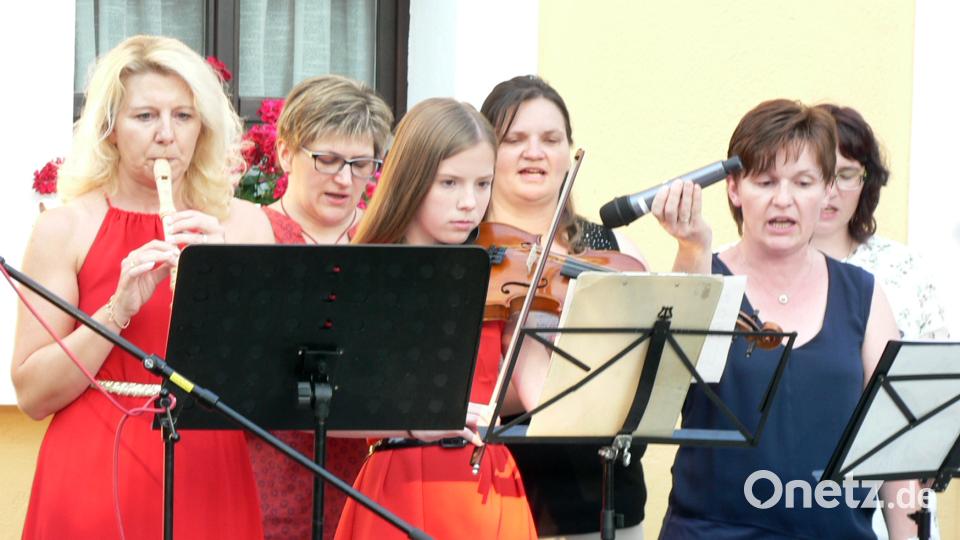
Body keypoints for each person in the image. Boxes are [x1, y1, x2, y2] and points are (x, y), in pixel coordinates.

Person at [12, 35, 273, 539]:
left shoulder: (244, 225)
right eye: (145, 116)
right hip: (95, 468)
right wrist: (116, 310)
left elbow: (264, 389)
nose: (166, 135)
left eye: (183, 116)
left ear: (203, 128)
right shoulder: (65, 227)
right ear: (109, 129)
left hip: (207, 470)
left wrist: (227, 286)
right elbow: (33, 395)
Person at [659, 99, 915, 539]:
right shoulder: (702, 273)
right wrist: (692, 250)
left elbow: (898, 444)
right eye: (765, 182)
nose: (783, 200)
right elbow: (667, 385)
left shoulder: (863, 293)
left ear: (827, 191)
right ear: (734, 189)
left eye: (803, 182)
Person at [479, 75, 712, 539]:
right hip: (495, 500)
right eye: (515, 139)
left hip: (606, 498)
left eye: (551, 139)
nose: (534, 152)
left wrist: (693, 248)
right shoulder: (468, 253)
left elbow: (665, 362)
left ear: (569, 152)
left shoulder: (612, 250)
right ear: (486, 151)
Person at [333, 97, 537, 540]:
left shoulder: (498, 278)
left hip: (488, 483)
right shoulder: (366, 272)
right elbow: (328, 411)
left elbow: (542, 395)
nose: (470, 203)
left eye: (483, 184)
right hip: (398, 482)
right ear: (411, 179)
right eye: (449, 183)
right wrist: (411, 421)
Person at [252, 74, 393, 540]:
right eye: (327, 160)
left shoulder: (387, 245)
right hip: (265, 475)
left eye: (361, 164)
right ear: (285, 153)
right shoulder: (249, 233)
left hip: (366, 486)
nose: (345, 179)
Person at [812, 104, 950, 340]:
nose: (830, 191)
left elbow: (935, 358)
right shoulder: (760, 265)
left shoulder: (905, 267)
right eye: (817, 175)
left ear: (867, 181)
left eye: (846, 175)